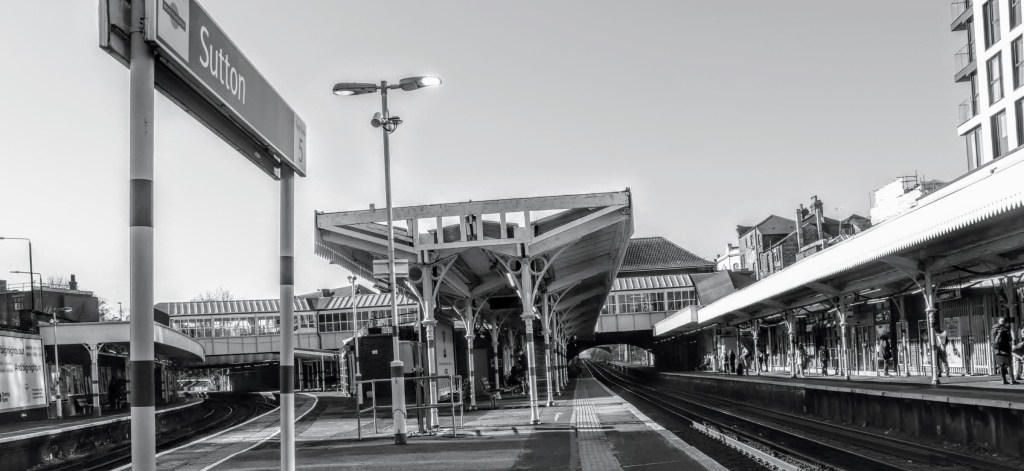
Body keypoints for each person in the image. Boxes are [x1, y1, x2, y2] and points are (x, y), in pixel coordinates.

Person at [992, 317, 1019, 385]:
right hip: (1005, 348)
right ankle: (1012, 380)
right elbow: (1010, 339)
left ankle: (1003, 380)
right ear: (1005, 322)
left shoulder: (994, 328)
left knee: (1001, 365)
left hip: (997, 349)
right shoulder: (1006, 328)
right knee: (1009, 364)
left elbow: (993, 339)